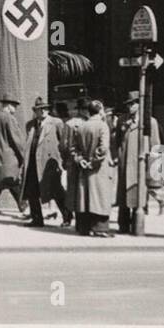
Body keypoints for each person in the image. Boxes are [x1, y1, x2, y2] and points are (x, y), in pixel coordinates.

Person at [113, 90, 162, 234]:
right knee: (123, 197)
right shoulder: (122, 120)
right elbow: (117, 141)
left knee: (137, 195)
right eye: (129, 104)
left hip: (139, 164)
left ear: (140, 104)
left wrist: (154, 169)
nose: (130, 107)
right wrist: (117, 156)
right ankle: (122, 225)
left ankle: (136, 225)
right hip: (124, 161)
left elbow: (156, 146)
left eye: (133, 104)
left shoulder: (149, 122)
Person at [70, 100, 114, 236]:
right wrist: (94, 162)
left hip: (84, 169)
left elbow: (73, 148)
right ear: (100, 110)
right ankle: (100, 228)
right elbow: (103, 148)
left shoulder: (81, 127)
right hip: (99, 169)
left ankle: (83, 227)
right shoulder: (103, 126)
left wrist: (81, 160)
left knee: (84, 198)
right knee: (100, 197)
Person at [20, 96, 65, 227]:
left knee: (56, 190)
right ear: (36, 111)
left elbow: (63, 143)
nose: (44, 111)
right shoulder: (30, 125)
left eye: (45, 108)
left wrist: (61, 161)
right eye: (41, 109)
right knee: (32, 191)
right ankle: (37, 219)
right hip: (33, 162)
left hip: (49, 163)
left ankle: (67, 216)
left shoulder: (56, 123)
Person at [58, 101, 83, 229]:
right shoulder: (89, 123)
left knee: (70, 191)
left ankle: (68, 218)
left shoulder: (69, 124)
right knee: (82, 191)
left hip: (72, 162)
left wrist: (64, 159)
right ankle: (81, 220)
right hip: (86, 162)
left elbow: (64, 145)